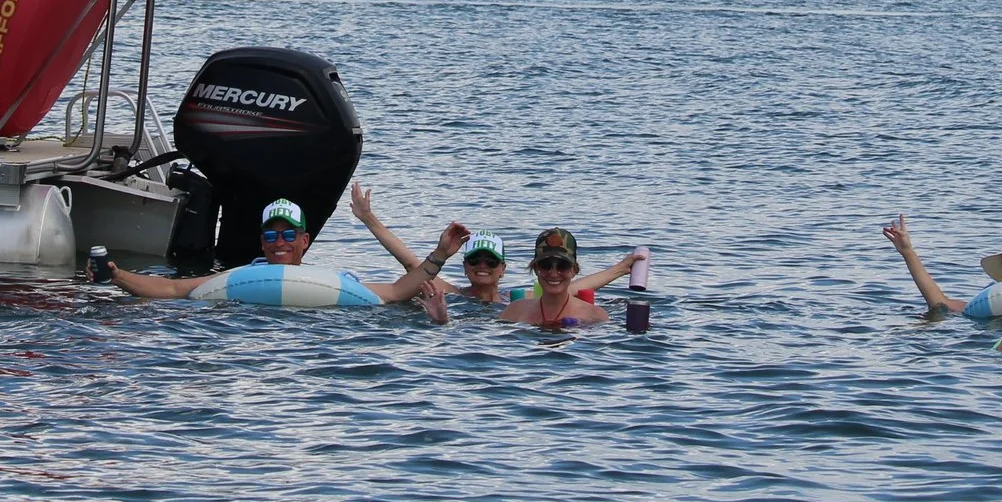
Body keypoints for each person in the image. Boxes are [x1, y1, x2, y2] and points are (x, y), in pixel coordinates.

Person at [93, 198, 460, 311]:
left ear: (305, 241)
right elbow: (174, 290)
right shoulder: (236, 278)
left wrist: (440, 253)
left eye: (288, 234)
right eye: (271, 233)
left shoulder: (336, 283)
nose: (279, 240)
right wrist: (118, 276)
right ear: (262, 241)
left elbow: (397, 292)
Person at [346, 185, 641, 305]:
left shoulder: (516, 298)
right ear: (465, 267)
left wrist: (622, 268)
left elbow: (573, 286)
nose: (482, 267)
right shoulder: (452, 293)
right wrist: (369, 218)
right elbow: (413, 265)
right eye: (475, 261)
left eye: (490, 261)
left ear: (503, 268)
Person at [498, 229, 611, 328]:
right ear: (535, 268)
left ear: (574, 270)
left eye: (562, 266)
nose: (553, 273)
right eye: (546, 265)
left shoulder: (596, 317)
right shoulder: (513, 312)